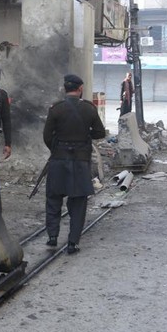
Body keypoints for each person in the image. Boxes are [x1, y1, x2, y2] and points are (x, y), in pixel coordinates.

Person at [43, 74, 106, 254]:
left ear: (65, 89)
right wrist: (85, 136)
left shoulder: (56, 109)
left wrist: (57, 149)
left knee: (53, 199)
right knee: (78, 203)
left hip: (58, 161)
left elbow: (47, 136)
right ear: (80, 89)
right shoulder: (89, 109)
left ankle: (52, 236)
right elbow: (100, 132)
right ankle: (72, 242)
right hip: (80, 162)